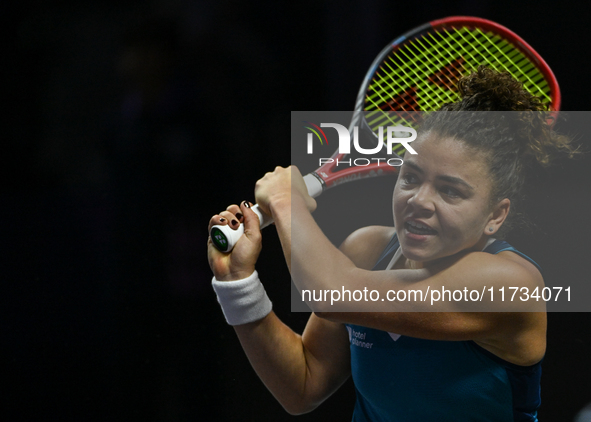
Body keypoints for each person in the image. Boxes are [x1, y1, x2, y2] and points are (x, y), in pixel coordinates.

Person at [207, 67, 578, 421]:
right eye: (411, 178)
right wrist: (238, 282)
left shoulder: (508, 283)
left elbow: (332, 293)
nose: (419, 200)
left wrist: (287, 202)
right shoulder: (366, 250)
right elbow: (303, 385)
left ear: (495, 216)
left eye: (450, 191)